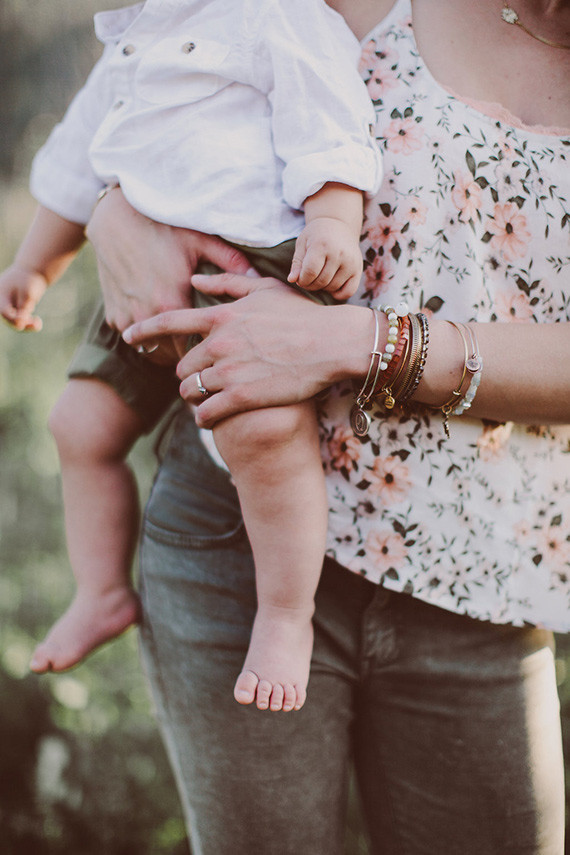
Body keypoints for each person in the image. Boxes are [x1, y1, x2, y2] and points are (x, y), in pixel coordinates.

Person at [84, 0, 570, 851]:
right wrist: (111, 208)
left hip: (484, 579)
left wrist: (359, 343)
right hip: (235, 537)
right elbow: (168, 55)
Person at [0, 0, 383, 712]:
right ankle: (102, 590)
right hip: (144, 290)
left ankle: (283, 615)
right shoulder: (132, 38)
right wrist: (32, 265)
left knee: (263, 434)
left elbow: (329, 120)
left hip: (247, 273)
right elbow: (75, 159)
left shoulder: (277, 15)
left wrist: (333, 218)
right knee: (77, 423)